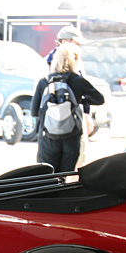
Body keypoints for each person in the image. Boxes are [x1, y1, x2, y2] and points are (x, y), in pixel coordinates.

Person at [30, 44, 104, 172]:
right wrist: (78, 100)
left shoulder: (44, 82)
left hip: (48, 136)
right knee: (64, 175)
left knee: (46, 175)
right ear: (74, 61)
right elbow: (99, 99)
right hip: (72, 135)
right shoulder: (78, 81)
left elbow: (34, 111)